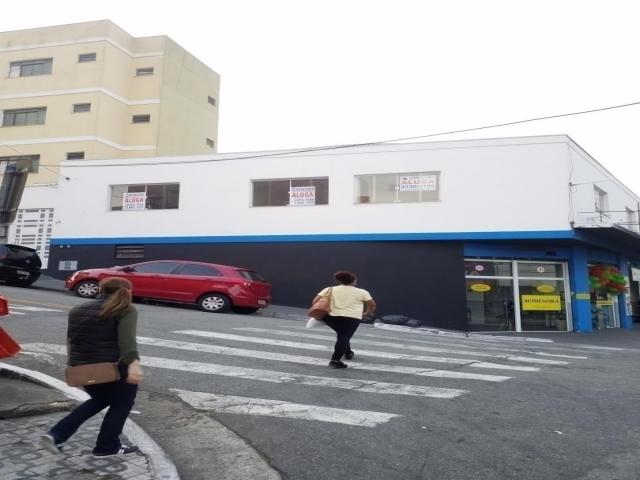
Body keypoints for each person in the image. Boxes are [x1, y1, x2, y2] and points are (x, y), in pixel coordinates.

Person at [40, 277, 144, 457]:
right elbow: (127, 343)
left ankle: (56, 435)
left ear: (101, 290)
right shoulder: (125, 309)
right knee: (122, 403)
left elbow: (71, 340)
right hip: (113, 368)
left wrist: (73, 364)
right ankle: (107, 446)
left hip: (82, 366)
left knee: (99, 400)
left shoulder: (78, 309)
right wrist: (134, 365)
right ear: (126, 291)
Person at [313, 270, 376, 369]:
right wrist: (366, 314)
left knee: (343, 335)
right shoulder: (362, 292)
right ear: (353, 281)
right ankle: (335, 360)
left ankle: (348, 352)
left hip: (331, 318)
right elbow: (372, 305)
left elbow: (315, 301)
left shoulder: (330, 289)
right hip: (351, 319)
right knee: (344, 336)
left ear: (340, 280)